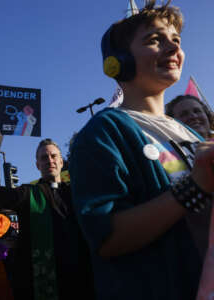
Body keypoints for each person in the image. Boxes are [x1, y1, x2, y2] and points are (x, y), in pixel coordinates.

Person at [70, 1, 214, 299]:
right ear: (118, 61)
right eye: (154, 40)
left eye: (176, 40)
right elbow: (107, 237)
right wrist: (195, 187)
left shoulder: (187, 132)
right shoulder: (103, 132)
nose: (173, 48)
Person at [0, 128, 95, 300]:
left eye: (54, 156)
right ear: (37, 165)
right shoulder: (28, 194)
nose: (50, 161)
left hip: (80, 281)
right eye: (44, 157)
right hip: (39, 284)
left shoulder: (77, 193)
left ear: (62, 162)